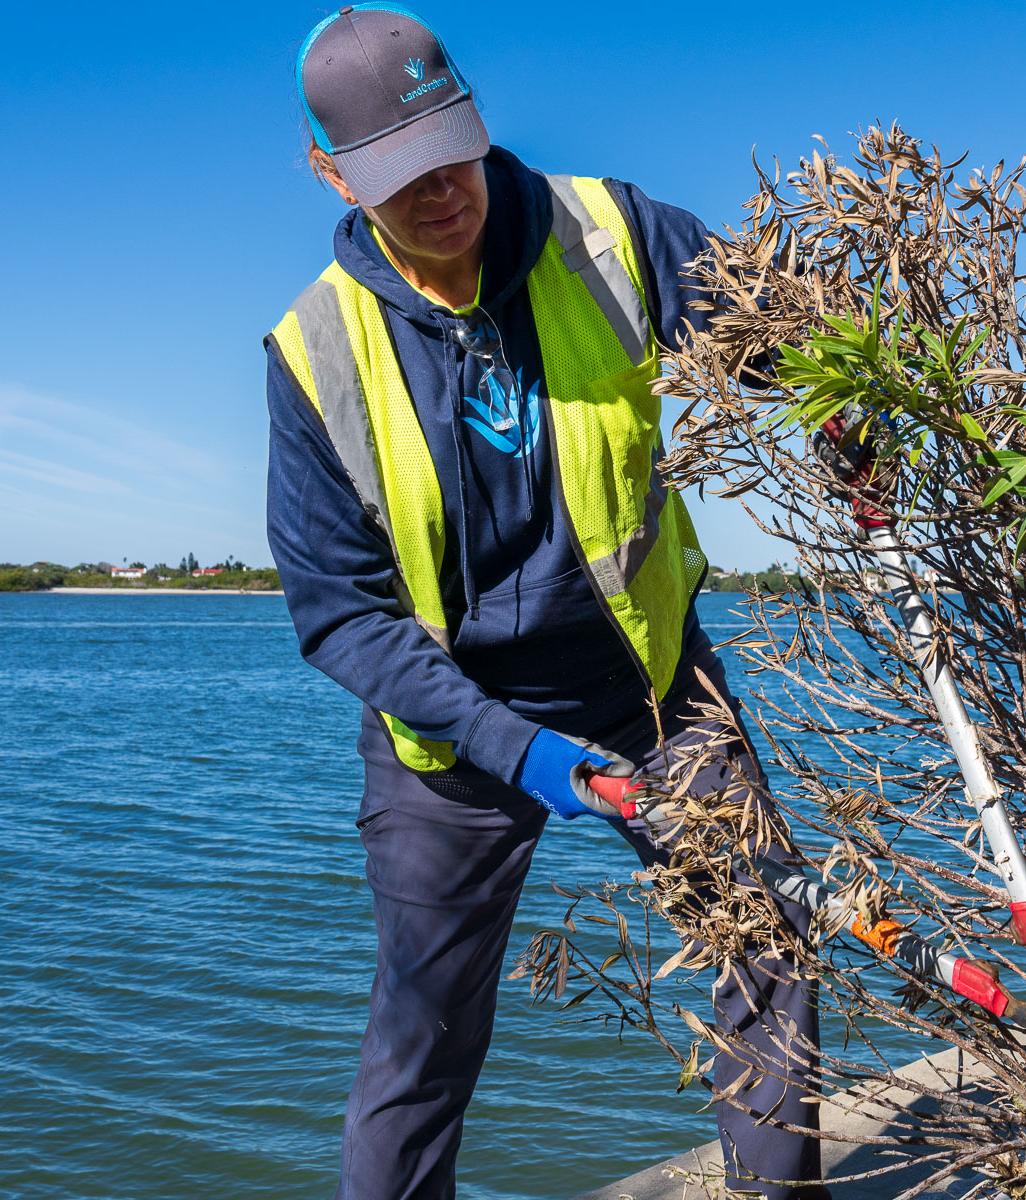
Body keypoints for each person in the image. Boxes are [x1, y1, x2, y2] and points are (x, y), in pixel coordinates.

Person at [262, 8, 824, 1198]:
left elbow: (784, 332)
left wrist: (846, 405)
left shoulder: (611, 231)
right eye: (395, 175)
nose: (439, 191)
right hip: (452, 740)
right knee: (425, 1037)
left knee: (766, 949)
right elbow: (340, 613)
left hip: (655, 694)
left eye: (450, 148)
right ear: (330, 170)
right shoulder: (312, 351)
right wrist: (512, 748)